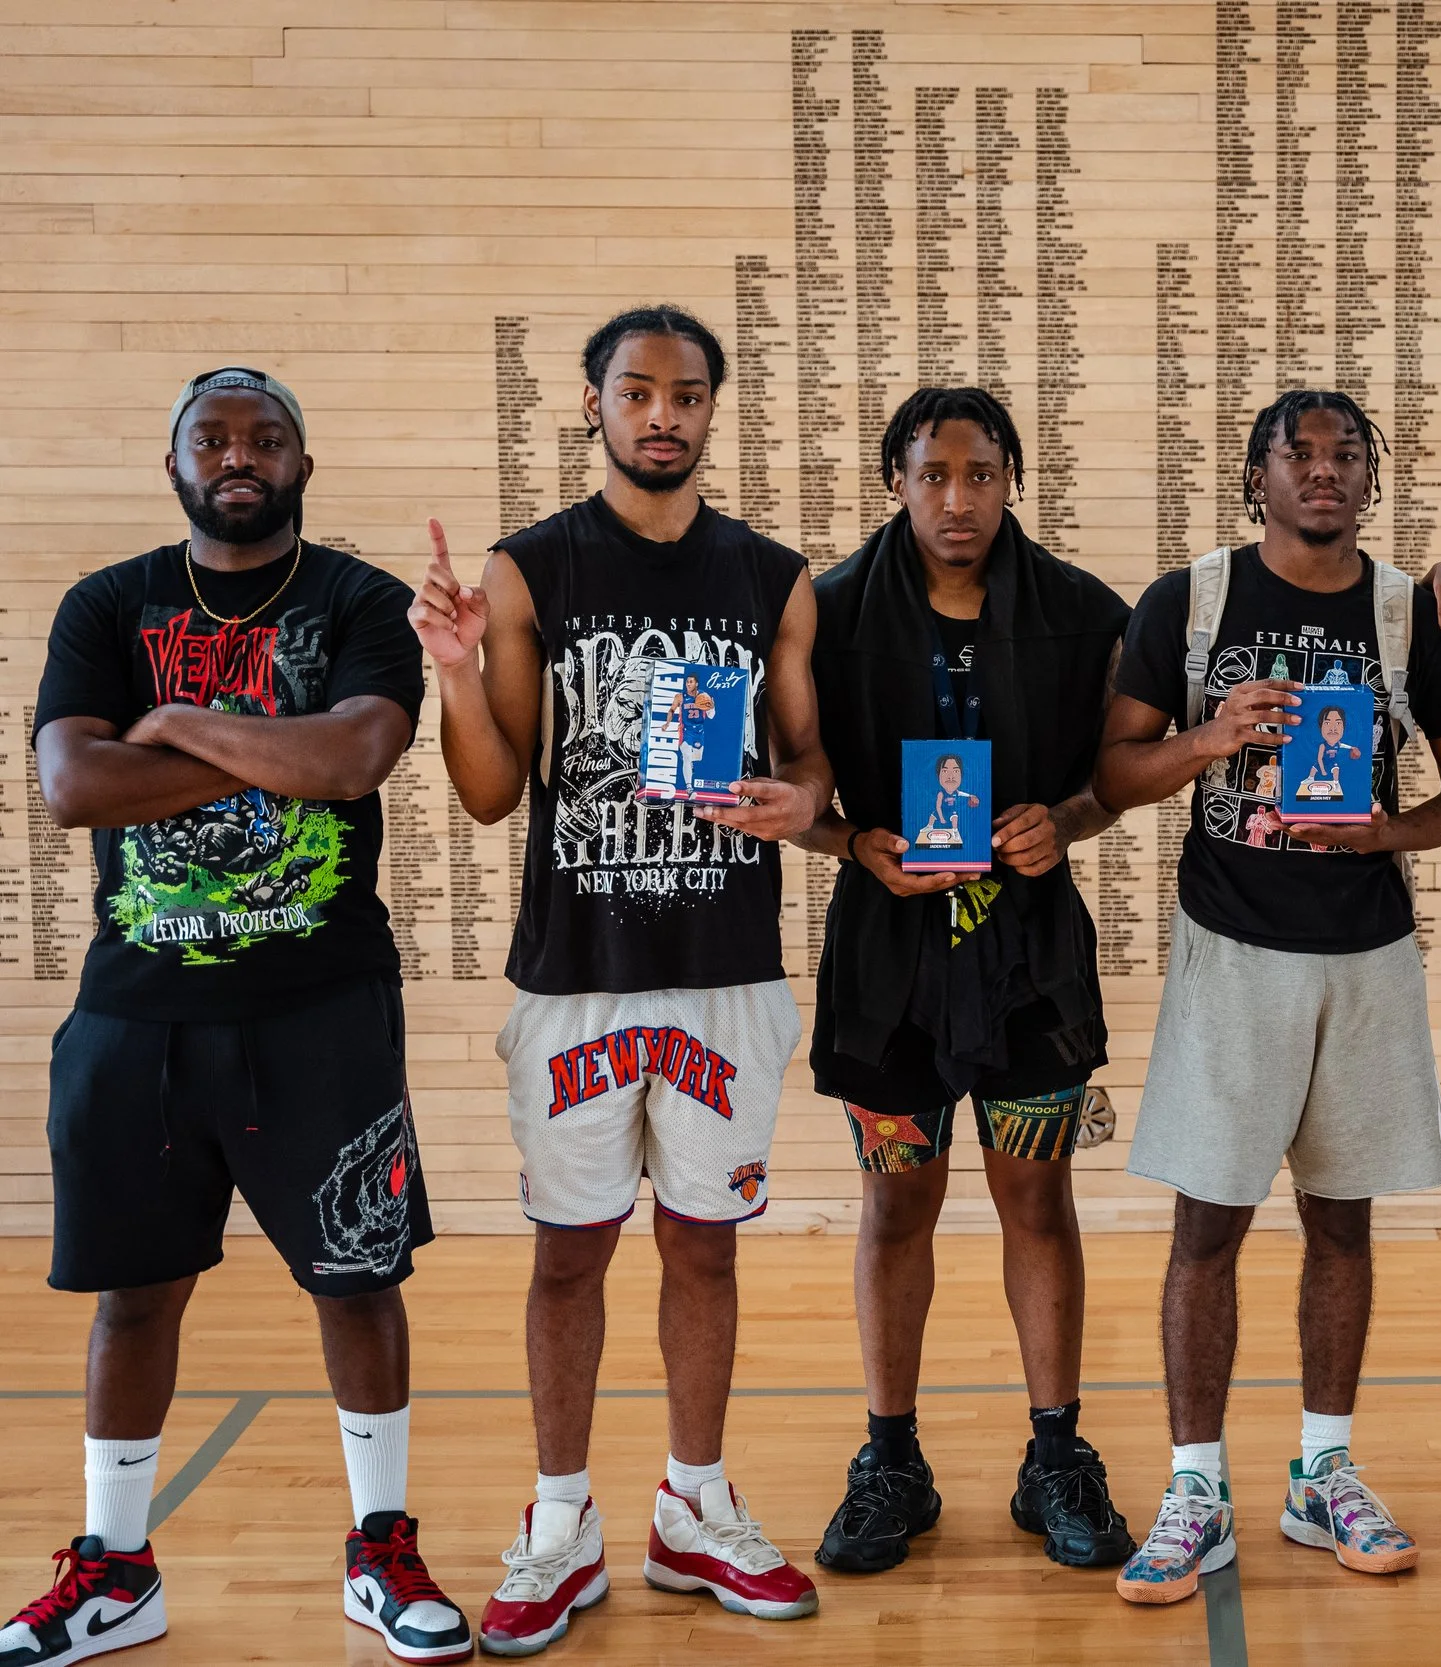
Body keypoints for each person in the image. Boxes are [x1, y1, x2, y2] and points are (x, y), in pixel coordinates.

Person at [6, 367, 469, 1664]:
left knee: (357, 1280)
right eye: (212, 437)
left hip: (320, 1007)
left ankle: (380, 1549)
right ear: (175, 466)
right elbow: (70, 782)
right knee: (133, 1297)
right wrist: (267, 741)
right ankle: (114, 1567)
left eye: (267, 437)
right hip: (135, 1012)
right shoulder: (110, 602)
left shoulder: (360, 599)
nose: (240, 454)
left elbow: (354, 757)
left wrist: (184, 724)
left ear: (304, 464)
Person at [412, 306, 830, 1655]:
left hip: (721, 970)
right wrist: (460, 670)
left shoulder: (774, 576)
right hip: (579, 970)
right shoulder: (531, 568)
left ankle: (693, 1502)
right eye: (639, 391)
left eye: (689, 393)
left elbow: (819, 774)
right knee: (569, 1249)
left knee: (702, 1243)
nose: (666, 413)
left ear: (715, 410)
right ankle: (559, 1517)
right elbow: (489, 794)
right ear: (592, 404)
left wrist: (796, 802)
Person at [1094, 389, 1441, 1605]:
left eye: (1345, 457)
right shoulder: (1191, 600)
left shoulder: (1409, 609)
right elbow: (1113, 772)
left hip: (1364, 955)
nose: (1323, 473)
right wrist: (1211, 740)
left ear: (1371, 478)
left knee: (1341, 1222)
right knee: (1206, 1225)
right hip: (1231, 949)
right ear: (1254, 472)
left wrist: (1387, 832)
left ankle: (1323, 1468)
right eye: (1298, 455)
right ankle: (1194, 1486)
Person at [801, 387, 1136, 1576]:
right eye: (934, 473)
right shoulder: (828, 612)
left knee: (1034, 1201)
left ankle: (1056, 1454)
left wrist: (1071, 820)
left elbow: (1116, 772)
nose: (958, 498)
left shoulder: (1085, 611)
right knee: (898, 1202)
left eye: (981, 474)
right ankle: (891, 1455)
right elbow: (788, 786)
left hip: (1029, 955)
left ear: (1012, 480)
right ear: (894, 477)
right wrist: (851, 843)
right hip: (888, 963)